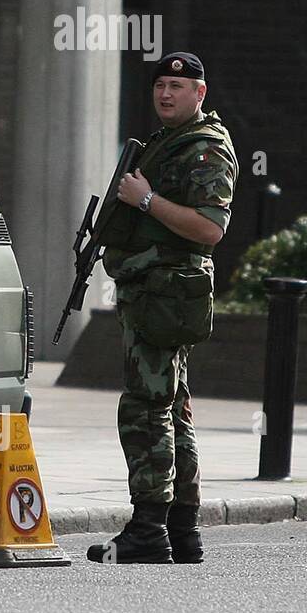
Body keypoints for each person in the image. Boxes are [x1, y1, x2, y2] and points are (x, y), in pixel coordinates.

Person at [88, 52, 237, 564]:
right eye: (160, 86)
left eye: (178, 85)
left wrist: (147, 201)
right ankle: (182, 530)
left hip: (167, 295)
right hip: (153, 293)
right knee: (171, 409)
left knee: (146, 409)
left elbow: (210, 229)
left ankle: (149, 528)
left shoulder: (204, 151)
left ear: (200, 93)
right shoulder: (164, 143)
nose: (166, 94)